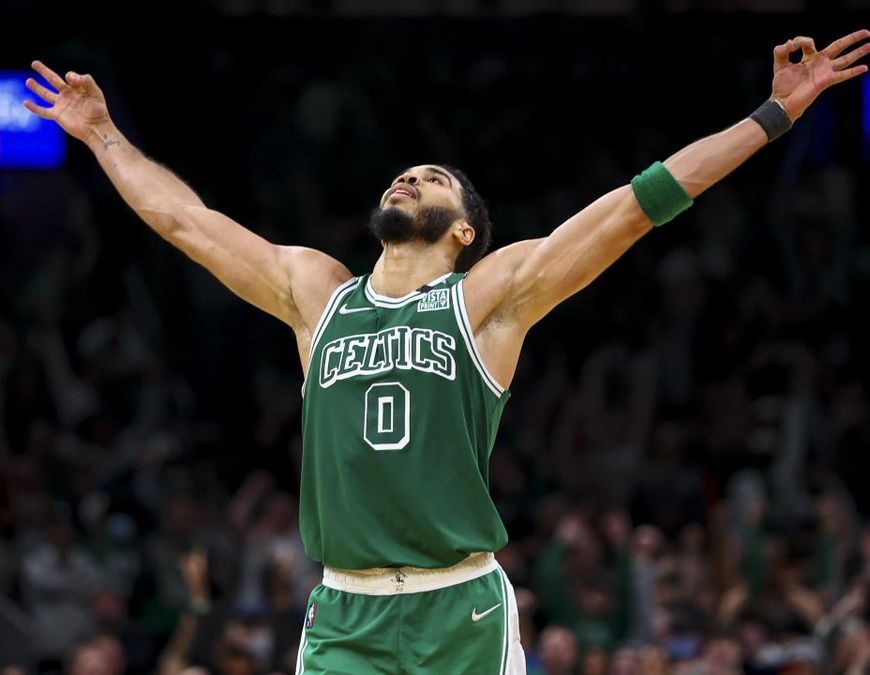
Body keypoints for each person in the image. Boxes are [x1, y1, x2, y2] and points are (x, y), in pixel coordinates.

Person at [24, 28, 870, 674]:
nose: (409, 178)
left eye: (432, 178)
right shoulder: (316, 292)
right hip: (345, 610)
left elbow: (636, 205)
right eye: (405, 174)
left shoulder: (487, 299)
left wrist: (771, 116)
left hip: (458, 607)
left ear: (463, 229)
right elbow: (186, 222)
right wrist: (101, 136)